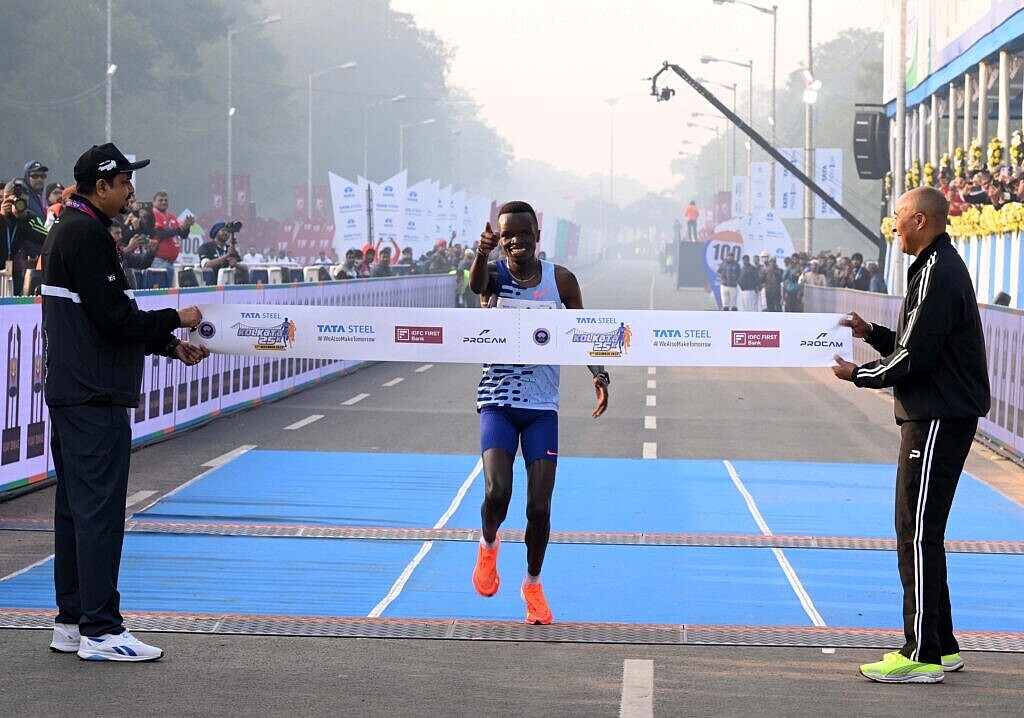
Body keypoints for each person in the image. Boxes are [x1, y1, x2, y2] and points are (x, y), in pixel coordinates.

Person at [41, 142, 209, 662]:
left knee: (75, 512)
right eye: (123, 182)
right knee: (98, 513)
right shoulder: (87, 234)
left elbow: (104, 316)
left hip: (75, 389)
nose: (131, 190)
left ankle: (72, 622)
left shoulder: (71, 229)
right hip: (93, 393)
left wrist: (167, 345)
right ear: (100, 187)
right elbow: (115, 318)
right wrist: (175, 319)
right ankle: (101, 629)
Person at [831, 186, 989, 684]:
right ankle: (941, 645)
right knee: (925, 532)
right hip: (941, 411)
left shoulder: (938, 271)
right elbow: (914, 342)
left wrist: (858, 374)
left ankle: (919, 654)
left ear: (920, 220)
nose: (893, 224)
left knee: (916, 532)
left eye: (898, 215)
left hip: (938, 415)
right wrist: (872, 333)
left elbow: (913, 359)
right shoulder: (935, 266)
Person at [468, 201, 609, 625]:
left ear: (537, 236)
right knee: (497, 493)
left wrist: (599, 374)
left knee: (539, 509)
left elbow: (582, 331)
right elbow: (475, 286)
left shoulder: (560, 280)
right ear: (500, 240)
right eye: (507, 235)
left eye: (523, 233)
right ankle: (488, 545)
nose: (516, 241)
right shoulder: (494, 275)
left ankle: (532, 584)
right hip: (498, 400)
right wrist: (481, 253)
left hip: (542, 406)